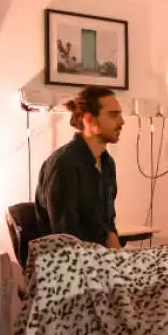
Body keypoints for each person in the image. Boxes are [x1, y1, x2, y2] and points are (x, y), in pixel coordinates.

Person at [35, 86, 125, 249]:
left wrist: (118, 258)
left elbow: (108, 223)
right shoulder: (63, 164)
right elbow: (65, 236)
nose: (121, 122)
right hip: (66, 263)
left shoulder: (107, 163)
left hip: (99, 258)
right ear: (90, 120)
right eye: (113, 115)